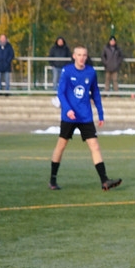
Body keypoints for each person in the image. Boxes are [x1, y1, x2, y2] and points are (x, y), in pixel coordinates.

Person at [48, 46, 122, 193]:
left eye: (84, 55)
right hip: (69, 116)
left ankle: (104, 181)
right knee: (61, 146)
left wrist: (100, 114)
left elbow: (96, 93)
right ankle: (53, 180)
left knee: (95, 146)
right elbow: (61, 93)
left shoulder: (91, 72)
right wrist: (68, 109)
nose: (82, 58)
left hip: (85, 116)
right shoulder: (67, 71)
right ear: (74, 56)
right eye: (79, 55)